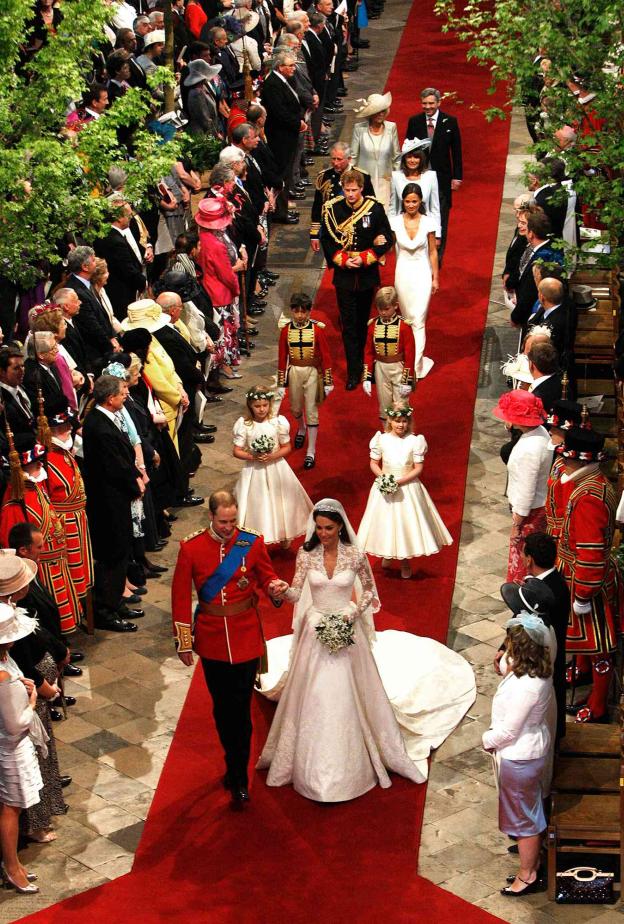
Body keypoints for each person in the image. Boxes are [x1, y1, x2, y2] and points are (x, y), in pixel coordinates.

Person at [257, 499, 476, 800]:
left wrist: (353, 613)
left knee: (351, 691)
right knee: (316, 694)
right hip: (315, 629)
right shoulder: (306, 555)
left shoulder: (355, 555)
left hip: (348, 628)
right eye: (319, 528)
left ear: (340, 527)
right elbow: (296, 593)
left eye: (329, 528)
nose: (323, 533)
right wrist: (280, 591)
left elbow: (370, 591)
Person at [171, 490, 287, 807]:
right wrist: (184, 643)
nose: (228, 528)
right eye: (223, 522)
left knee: (241, 712)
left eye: (233, 521)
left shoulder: (251, 543)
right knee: (223, 712)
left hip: (246, 637)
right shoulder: (191, 548)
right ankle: (232, 762)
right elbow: (180, 598)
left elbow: (266, 577)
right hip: (211, 642)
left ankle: (239, 777)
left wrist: (275, 587)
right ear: (211, 517)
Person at [483, 608, 554, 897]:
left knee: (524, 820)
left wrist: (487, 739)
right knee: (529, 811)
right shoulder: (536, 669)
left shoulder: (528, 686)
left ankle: (527, 875)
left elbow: (509, 731)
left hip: (519, 755)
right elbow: (506, 669)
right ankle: (533, 864)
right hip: (528, 752)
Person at [556, 427, 619, 723]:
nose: (564, 463)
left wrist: (583, 591)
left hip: (586, 580)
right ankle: (581, 671)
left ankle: (597, 704)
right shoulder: (592, 483)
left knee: (599, 646)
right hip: (579, 572)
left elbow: (590, 551)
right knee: (585, 641)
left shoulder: (589, 496)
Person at [357, 403, 452, 579]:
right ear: (390, 421)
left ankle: (404, 562)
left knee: (404, 524)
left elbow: (418, 468)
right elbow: (373, 463)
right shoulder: (381, 439)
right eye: (397, 421)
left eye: (404, 421)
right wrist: (384, 478)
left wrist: (399, 481)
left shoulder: (415, 441)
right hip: (385, 488)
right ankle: (387, 553)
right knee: (386, 521)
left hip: (407, 487)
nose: (401, 425)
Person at [319, 169, 395, 389]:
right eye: (347, 190)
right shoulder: (333, 209)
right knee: (348, 324)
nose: (350, 194)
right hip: (344, 276)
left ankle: (364, 363)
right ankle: (354, 370)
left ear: (362, 189)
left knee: (362, 323)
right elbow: (327, 239)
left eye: (354, 190)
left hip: (366, 275)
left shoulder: (374, 209)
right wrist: (342, 259)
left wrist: (365, 258)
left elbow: (387, 237)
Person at [82, 375, 143, 633]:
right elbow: (116, 466)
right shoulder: (100, 427)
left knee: (120, 551)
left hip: (115, 498)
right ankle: (105, 609)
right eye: (122, 392)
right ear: (110, 399)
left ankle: (115, 600)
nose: (126, 395)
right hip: (108, 502)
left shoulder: (104, 419)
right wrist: (135, 483)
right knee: (112, 553)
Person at [0, 599, 45, 894]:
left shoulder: (4, 663)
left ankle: (12, 863)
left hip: (12, 746)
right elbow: (16, 722)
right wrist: (32, 701)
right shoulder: (1, 675)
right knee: (11, 808)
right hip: (11, 749)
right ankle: (12, 867)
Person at [232, 386, 313, 546]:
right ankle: (258, 533)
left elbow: (287, 447)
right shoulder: (245, 424)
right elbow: (236, 451)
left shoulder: (277, 422)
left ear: (269, 404)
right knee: (258, 502)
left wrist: (271, 456)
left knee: (280, 501)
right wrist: (253, 456)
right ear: (250, 406)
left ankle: (284, 534)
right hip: (254, 470)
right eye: (257, 406)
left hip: (277, 467)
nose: (262, 409)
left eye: (265, 405)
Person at [492, 391, 552, 582]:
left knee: (524, 563)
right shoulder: (540, 432)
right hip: (537, 507)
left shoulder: (530, 449)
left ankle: (523, 599)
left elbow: (527, 490)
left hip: (529, 514)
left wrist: (517, 525)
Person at [276, 292, 333, 470]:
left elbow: (326, 355)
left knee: (311, 410)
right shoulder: (286, 330)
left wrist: (328, 380)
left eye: (304, 312)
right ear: (292, 311)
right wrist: (280, 382)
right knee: (294, 407)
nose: (300, 315)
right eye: (297, 311)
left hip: (312, 373)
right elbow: (282, 356)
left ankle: (311, 451)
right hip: (293, 372)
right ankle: (301, 428)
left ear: (309, 312)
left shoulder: (317, 330)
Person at [405, 87, 463, 262]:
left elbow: (457, 151)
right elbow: (408, 149)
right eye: (424, 103)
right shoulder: (414, 121)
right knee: (420, 215)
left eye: (431, 103)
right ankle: (420, 255)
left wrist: (457, 176)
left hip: (442, 180)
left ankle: (437, 259)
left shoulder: (450, 122)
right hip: (419, 178)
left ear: (439, 103)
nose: (428, 107)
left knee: (440, 218)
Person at [390, 183, 439, 379]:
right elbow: (390, 248)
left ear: (420, 202)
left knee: (418, 319)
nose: (411, 205)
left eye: (415, 201)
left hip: (422, 274)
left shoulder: (428, 222)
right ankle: (407, 357)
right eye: (408, 201)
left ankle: (414, 366)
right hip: (402, 273)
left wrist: (436, 277)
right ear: (403, 201)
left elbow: (433, 252)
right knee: (408, 319)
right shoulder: (394, 222)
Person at [362, 286, 415, 421]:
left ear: (395, 306)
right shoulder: (373, 325)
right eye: (380, 309)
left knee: (401, 406)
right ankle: (387, 435)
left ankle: (403, 436)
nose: (383, 312)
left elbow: (410, 354)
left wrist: (407, 380)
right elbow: (368, 352)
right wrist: (367, 377)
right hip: (380, 368)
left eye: (386, 309)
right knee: (384, 406)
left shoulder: (403, 326)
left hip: (398, 367)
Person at [309, 142, 374, 252]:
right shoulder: (324, 177)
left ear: (349, 159)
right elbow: (317, 206)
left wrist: (368, 230)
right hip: (332, 230)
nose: (335, 163)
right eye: (333, 159)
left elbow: (370, 206)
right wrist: (314, 235)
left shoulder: (362, 176)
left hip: (356, 229)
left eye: (339, 159)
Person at [350, 92, 400, 208]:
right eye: (377, 111)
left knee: (385, 212)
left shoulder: (391, 127)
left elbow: (396, 156)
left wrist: (398, 179)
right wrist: (349, 178)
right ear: (371, 113)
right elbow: (353, 156)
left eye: (383, 110)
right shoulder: (359, 129)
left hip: (386, 181)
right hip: (365, 181)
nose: (380, 114)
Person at [389, 138, 441, 237]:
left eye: (416, 157)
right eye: (409, 157)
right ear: (404, 159)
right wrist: (391, 231)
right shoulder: (396, 176)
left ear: (421, 159)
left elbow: (435, 208)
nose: (412, 160)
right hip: (402, 228)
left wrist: (437, 234)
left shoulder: (430, 176)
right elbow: (392, 208)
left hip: (426, 228)